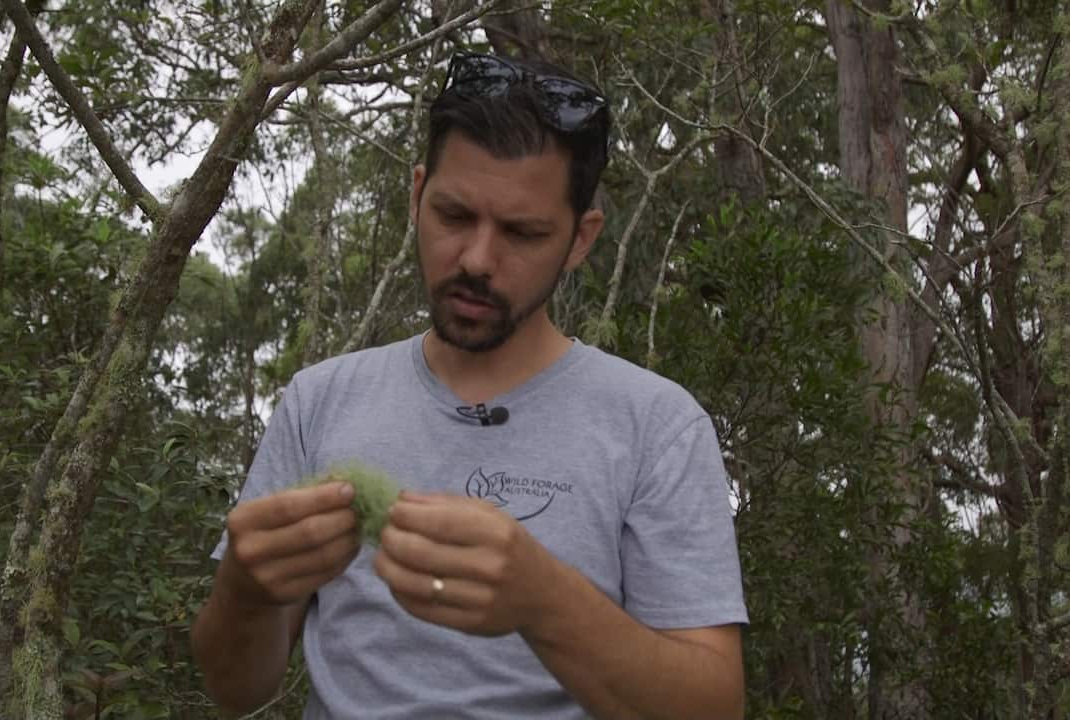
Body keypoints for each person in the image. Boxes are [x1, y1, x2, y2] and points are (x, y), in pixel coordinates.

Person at [191, 51, 748, 719]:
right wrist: (245, 591)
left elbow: (713, 707)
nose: (478, 260)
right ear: (417, 193)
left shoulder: (656, 425)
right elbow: (234, 689)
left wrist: (542, 599)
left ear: (579, 239)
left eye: (523, 232)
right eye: (454, 216)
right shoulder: (321, 400)